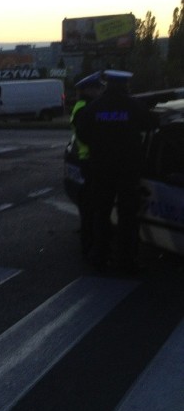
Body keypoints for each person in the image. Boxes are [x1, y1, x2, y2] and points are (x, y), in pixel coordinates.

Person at [75, 70, 152, 271]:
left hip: (100, 168)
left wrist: (99, 146)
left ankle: (99, 256)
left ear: (107, 84)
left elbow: (81, 134)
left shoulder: (94, 107)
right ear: (125, 85)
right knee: (128, 215)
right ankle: (126, 259)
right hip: (128, 170)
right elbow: (151, 123)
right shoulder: (134, 106)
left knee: (101, 213)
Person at [69, 72, 105, 256]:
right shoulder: (84, 108)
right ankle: (89, 245)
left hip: (87, 160)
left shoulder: (85, 106)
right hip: (89, 160)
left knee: (91, 205)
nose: (101, 91)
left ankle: (90, 242)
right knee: (91, 207)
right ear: (89, 90)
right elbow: (86, 135)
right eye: (98, 88)